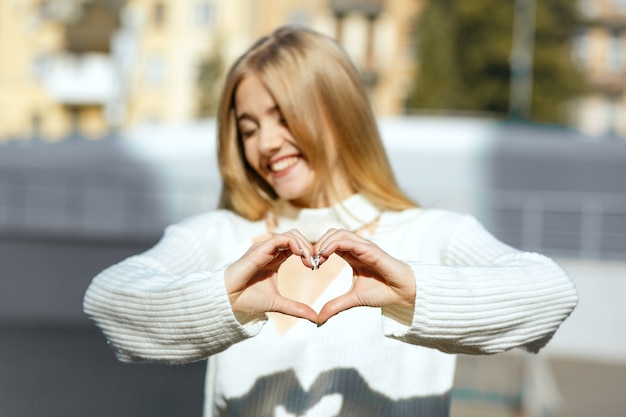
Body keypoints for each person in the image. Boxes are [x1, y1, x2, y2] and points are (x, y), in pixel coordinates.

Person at [83, 26, 578, 417]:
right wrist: (220, 299)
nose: (265, 143)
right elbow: (109, 301)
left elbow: (550, 294)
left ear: (339, 109)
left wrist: (416, 294)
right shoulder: (220, 235)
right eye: (248, 127)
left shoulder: (430, 234)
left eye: (282, 115)